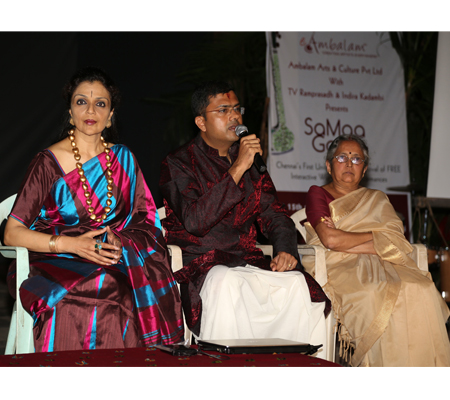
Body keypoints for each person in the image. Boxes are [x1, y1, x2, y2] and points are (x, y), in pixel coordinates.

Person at [4, 66, 184, 352]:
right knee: (105, 283)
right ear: (70, 112)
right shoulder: (47, 162)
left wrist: (121, 241)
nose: (91, 110)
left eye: (100, 103)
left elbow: (146, 222)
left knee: (119, 286)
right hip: (52, 259)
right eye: (81, 102)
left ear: (110, 115)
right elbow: (12, 233)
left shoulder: (124, 160)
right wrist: (72, 245)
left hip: (109, 258)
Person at [159, 81, 330, 352]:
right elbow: (195, 221)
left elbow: (275, 214)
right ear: (201, 122)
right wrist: (238, 167)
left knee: (297, 284)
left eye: (237, 109)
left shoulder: (252, 164)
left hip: (247, 260)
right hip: (203, 264)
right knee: (227, 281)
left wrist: (285, 250)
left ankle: (290, 368)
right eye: (223, 110)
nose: (235, 116)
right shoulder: (178, 163)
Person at [303, 134, 450, 367]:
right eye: (342, 157)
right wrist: (376, 236)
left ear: (364, 170)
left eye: (356, 159)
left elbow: (396, 241)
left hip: (385, 261)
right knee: (373, 294)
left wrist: (347, 237)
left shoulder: (376, 198)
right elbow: (330, 240)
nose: (349, 163)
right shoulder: (317, 194)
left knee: (421, 288)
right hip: (339, 265)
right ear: (329, 166)